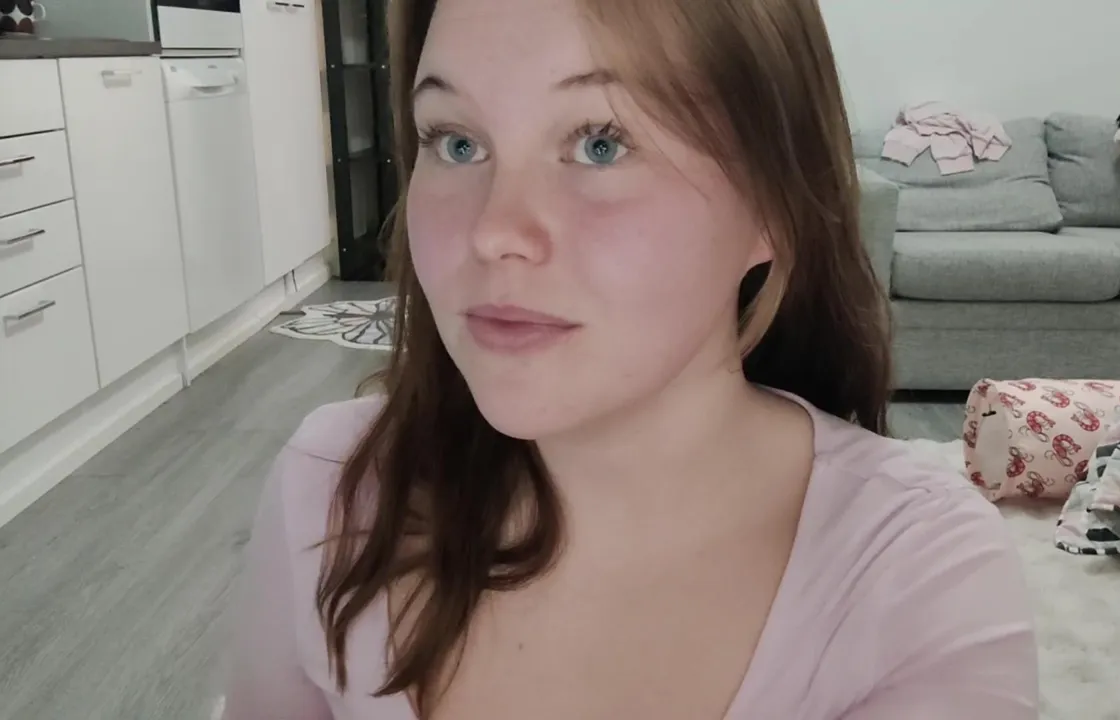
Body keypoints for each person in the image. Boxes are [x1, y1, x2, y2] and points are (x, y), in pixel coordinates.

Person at [222, 0, 1038, 717]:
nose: (494, 232)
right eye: (457, 142)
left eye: (602, 143)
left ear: (775, 204)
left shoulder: (918, 584)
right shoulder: (332, 490)